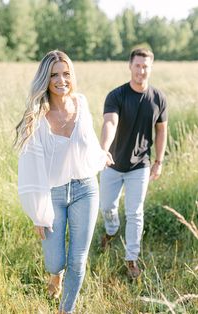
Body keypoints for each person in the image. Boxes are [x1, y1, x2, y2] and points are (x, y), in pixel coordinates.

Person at [15, 50, 106, 313]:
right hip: (52, 194)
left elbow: (88, 142)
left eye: (66, 73)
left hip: (85, 189)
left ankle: (65, 310)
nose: (61, 80)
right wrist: (38, 213)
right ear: (46, 79)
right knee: (55, 262)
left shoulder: (82, 103)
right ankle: (56, 275)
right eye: (54, 74)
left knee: (78, 261)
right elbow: (30, 169)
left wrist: (102, 156)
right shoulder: (37, 118)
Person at [99, 48, 168, 279]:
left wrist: (158, 161)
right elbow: (110, 122)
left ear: (151, 67)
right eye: (137, 65)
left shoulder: (158, 98)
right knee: (107, 207)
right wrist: (104, 149)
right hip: (112, 163)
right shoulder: (116, 96)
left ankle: (131, 259)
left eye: (145, 66)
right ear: (130, 66)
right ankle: (111, 230)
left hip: (140, 165)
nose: (141, 70)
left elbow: (161, 131)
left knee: (135, 212)